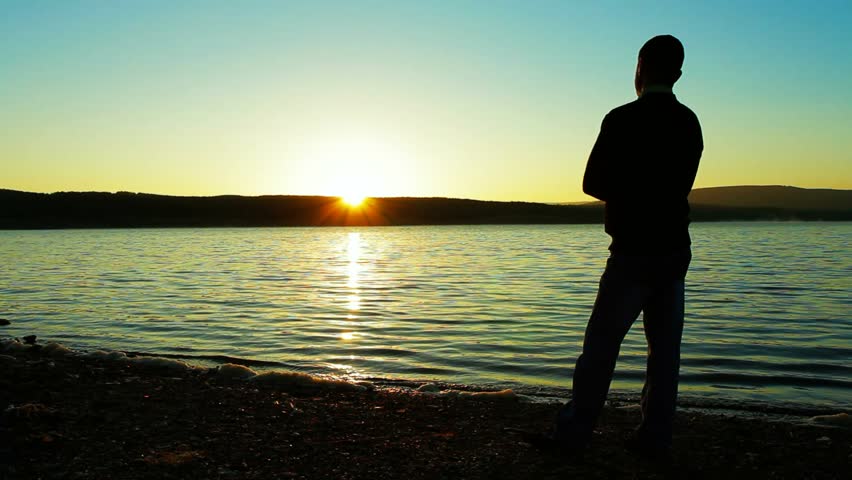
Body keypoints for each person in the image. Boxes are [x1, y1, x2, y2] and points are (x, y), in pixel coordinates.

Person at [539, 35, 703, 459]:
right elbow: (680, 184)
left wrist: (628, 190)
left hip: (632, 250)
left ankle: (575, 433)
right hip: (673, 250)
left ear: (640, 67)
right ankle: (655, 438)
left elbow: (592, 183)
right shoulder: (689, 122)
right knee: (665, 352)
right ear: (678, 73)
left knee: (600, 346)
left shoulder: (621, 119)